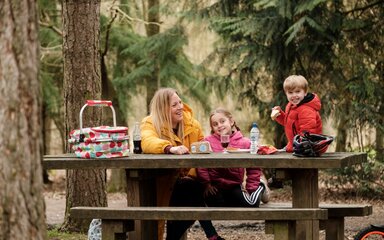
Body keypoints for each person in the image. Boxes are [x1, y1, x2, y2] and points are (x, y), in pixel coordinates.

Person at [140, 88, 223, 240]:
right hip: (162, 185)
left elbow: (202, 153)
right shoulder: (150, 123)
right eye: (174, 105)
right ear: (163, 108)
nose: (180, 107)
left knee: (191, 189)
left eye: (180, 102)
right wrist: (169, 148)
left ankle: (208, 236)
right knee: (191, 193)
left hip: (191, 185)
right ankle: (212, 235)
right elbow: (147, 141)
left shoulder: (193, 125)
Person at [196, 108, 267, 209]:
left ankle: (261, 186)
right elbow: (201, 164)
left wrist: (251, 187)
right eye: (215, 124)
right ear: (212, 127)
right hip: (215, 186)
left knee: (251, 205)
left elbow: (253, 167)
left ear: (231, 121)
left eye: (222, 121)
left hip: (234, 185)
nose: (219, 126)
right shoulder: (207, 142)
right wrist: (207, 184)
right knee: (217, 206)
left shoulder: (244, 142)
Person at [271, 75, 323, 152]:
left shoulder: (306, 110)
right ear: (286, 94)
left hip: (308, 148)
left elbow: (307, 132)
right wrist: (279, 115)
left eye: (298, 92)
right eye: (290, 92)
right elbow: (289, 123)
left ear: (305, 92)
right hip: (295, 145)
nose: (294, 95)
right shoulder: (291, 105)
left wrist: (300, 146)